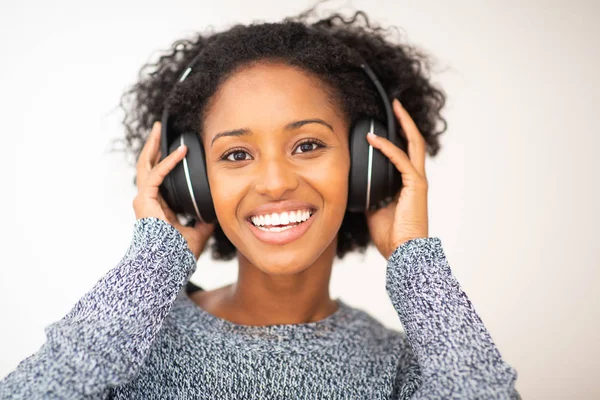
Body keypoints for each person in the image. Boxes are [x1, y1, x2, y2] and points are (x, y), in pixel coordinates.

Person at [0, 4, 520, 399]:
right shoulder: (125, 342)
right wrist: (153, 265)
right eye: (237, 154)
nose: (274, 182)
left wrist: (416, 261)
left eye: (308, 145)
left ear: (369, 166)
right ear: (192, 177)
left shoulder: (398, 369)